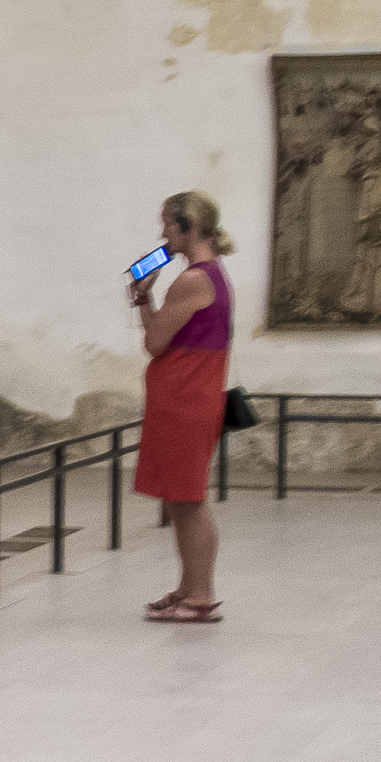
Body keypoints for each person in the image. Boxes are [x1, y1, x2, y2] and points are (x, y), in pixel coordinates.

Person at [133, 191, 235, 627]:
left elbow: (155, 341)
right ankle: (190, 586)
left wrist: (143, 299)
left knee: (189, 501)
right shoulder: (214, 274)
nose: (162, 234)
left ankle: (200, 596)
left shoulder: (192, 280)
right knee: (180, 500)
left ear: (187, 226)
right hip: (191, 397)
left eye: (167, 225)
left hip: (185, 399)